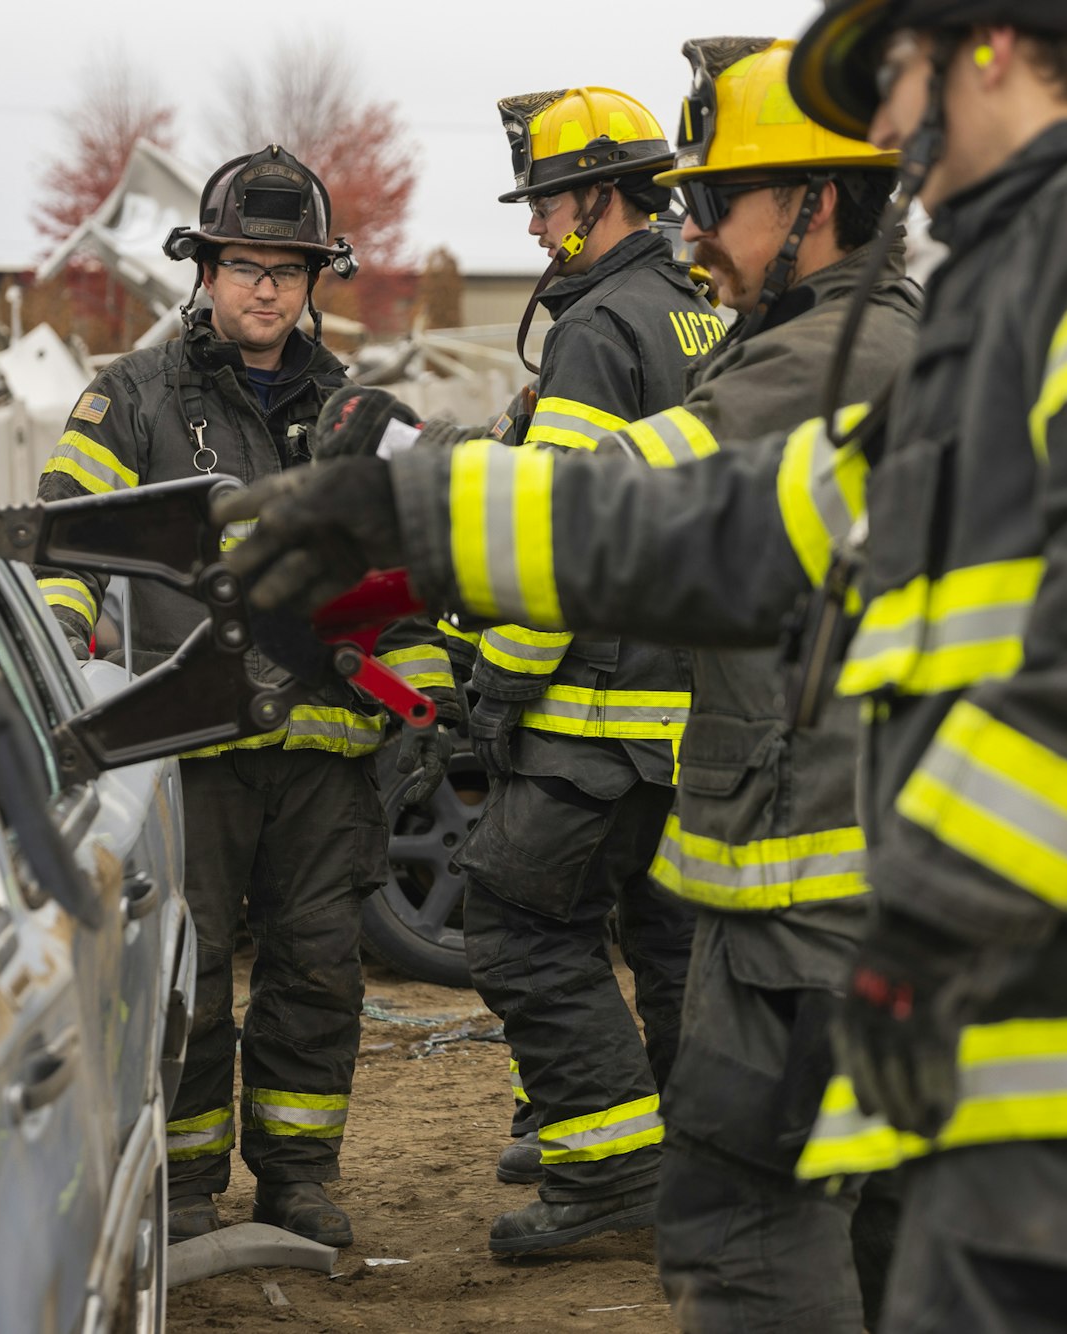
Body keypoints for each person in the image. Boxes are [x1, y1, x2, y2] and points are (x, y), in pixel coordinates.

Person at [217, 2, 1067, 1328]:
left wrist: (928, 926)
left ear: (993, 48)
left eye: (893, 78)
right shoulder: (1015, 298)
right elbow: (745, 522)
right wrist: (414, 513)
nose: (883, 128)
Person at [31, 145, 455, 1248]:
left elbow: (408, 576)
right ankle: (181, 1183)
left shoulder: (358, 412)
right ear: (204, 271)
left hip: (327, 757)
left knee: (318, 971)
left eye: (287, 269)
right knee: (190, 970)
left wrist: (422, 698)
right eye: (243, 266)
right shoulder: (130, 398)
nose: (265, 288)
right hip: (189, 751)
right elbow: (69, 548)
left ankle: (297, 1175)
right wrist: (59, 656)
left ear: (314, 279)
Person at [611, 37, 917, 1334]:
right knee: (889, 1239)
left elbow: (614, 502)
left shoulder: (830, 363)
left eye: (716, 201)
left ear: (816, 201)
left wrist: (400, 474)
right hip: (823, 886)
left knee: (745, 1224)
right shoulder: (808, 344)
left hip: (815, 906)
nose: (690, 233)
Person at [453, 84, 718, 1257]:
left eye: (548, 203)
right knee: (669, 944)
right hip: (692, 713)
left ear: (601, 198)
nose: (533, 226)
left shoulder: (599, 328)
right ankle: (692, 1163)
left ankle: (609, 1163)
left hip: (596, 714)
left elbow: (555, 540)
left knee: (513, 919)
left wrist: (496, 683)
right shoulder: (699, 312)